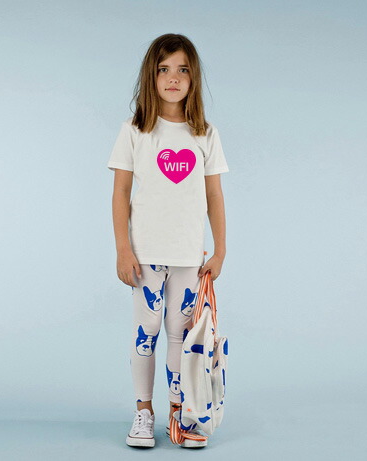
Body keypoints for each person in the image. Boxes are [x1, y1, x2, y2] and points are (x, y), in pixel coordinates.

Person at [107, 33, 229, 448]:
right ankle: (144, 410)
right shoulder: (135, 131)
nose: (173, 78)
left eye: (182, 70)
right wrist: (123, 249)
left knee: (180, 332)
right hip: (145, 254)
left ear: (193, 79)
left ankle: (180, 412)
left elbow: (214, 196)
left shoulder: (205, 134)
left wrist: (220, 250)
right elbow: (121, 192)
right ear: (151, 76)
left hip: (188, 255)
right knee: (147, 329)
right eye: (164, 69)